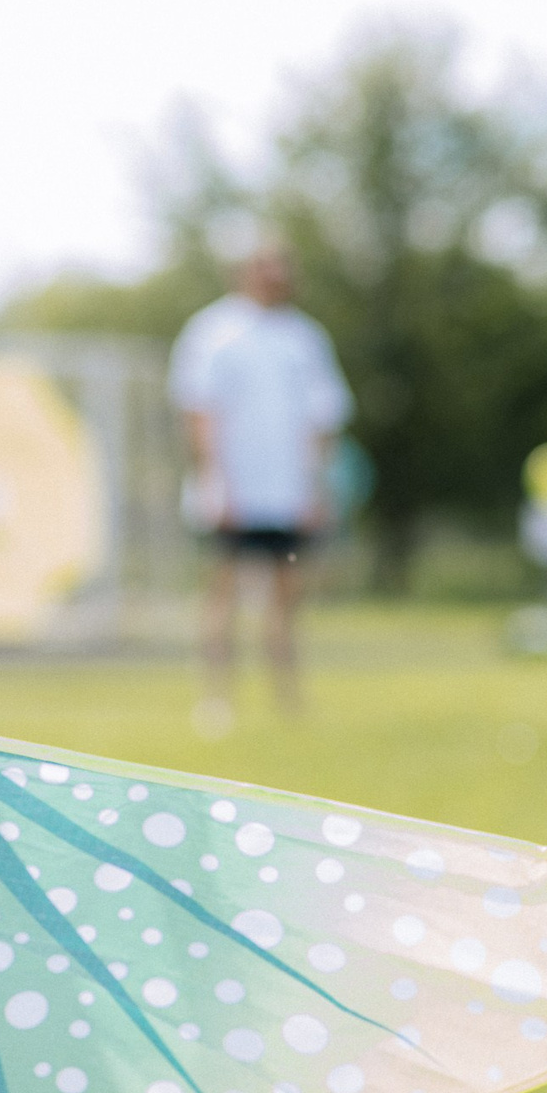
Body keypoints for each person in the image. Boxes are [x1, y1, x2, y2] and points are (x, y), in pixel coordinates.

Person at [169, 241, 352, 730]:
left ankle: (287, 701)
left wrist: (316, 488)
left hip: (288, 493)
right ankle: (216, 700)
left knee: (286, 596)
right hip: (234, 492)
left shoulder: (306, 339)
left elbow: (323, 418)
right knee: (222, 593)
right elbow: (200, 411)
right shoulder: (214, 332)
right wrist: (215, 482)